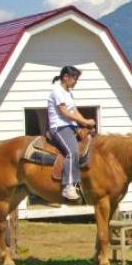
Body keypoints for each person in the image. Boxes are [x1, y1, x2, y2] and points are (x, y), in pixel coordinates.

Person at [47, 65, 95, 201]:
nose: (76, 82)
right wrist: (84, 121)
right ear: (66, 77)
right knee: (71, 152)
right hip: (59, 128)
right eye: (75, 78)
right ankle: (69, 187)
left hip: (71, 127)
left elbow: (74, 111)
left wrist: (84, 122)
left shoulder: (68, 93)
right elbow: (64, 112)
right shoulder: (57, 91)